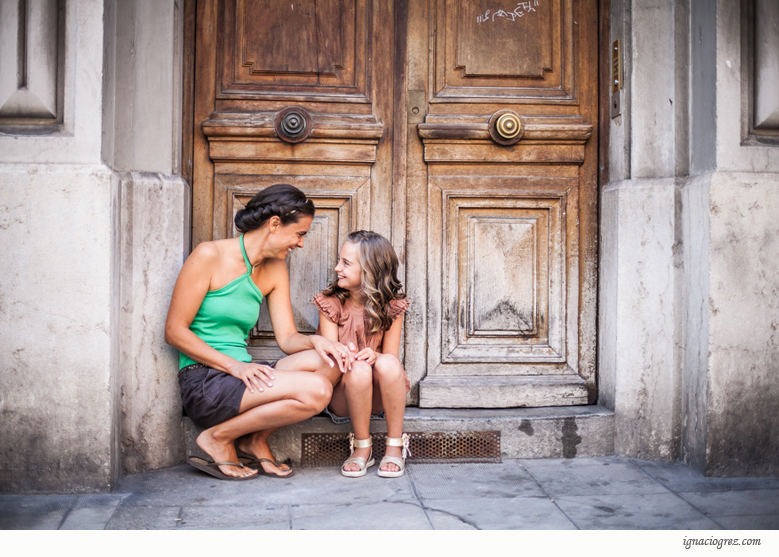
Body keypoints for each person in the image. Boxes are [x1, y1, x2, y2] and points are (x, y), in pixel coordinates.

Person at [165, 184, 352, 481]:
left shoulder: (275, 267)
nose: (301, 244)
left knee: (330, 361)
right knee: (317, 391)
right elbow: (175, 331)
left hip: (244, 375)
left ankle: (253, 439)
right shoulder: (209, 255)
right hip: (205, 379)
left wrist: (317, 340)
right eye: (300, 234)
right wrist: (236, 367)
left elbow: (287, 338)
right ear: (274, 225)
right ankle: (218, 437)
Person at [314, 230, 411, 478]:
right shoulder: (331, 303)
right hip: (344, 395)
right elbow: (330, 359)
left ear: (370, 270)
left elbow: (390, 357)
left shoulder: (391, 306)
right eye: (339, 260)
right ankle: (362, 447)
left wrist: (375, 356)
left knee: (388, 363)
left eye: (346, 263)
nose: (337, 268)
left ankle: (395, 445)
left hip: (379, 397)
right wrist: (351, 356)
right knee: (357, 368)